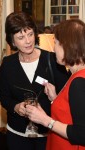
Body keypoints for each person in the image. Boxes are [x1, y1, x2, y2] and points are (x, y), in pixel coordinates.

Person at [0, 12, 70, 150]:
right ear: (12, 41)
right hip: (17, 135)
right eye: (21, 37)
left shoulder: (53, 60)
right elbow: (4, 97)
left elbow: (67, 99)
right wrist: (15, 107)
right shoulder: (7, 64)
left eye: (30, 34)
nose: (28, 41)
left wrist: (54, 98)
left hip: (48, 135)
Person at [25, 19, 85, 150]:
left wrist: (45, 120)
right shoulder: (76, 75)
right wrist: (55, 98)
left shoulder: (79, 82)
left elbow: (82, 134)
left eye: (55, 43)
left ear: (67, 46)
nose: (53, 48)